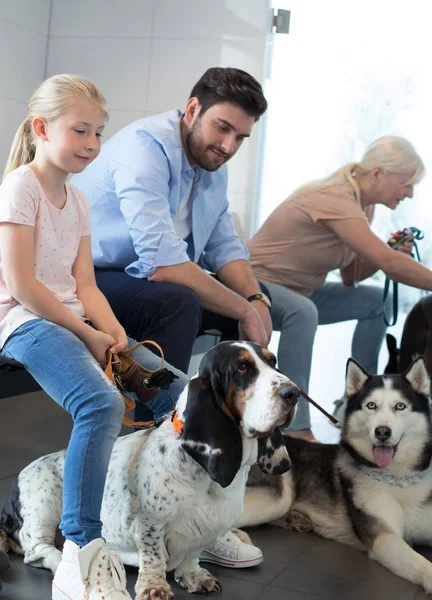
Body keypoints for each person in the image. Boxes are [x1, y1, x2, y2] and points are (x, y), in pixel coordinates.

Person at [0, 74, 189, 600]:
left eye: (99, 133)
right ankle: (82, 552)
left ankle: (181, 526)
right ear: (41, 127)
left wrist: (117, 335)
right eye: (80, 130)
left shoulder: (77, 200)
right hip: (23, 320)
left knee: (179, 391)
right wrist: (86, 334)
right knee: (100, 403)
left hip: (69, 314)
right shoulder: (21, 187)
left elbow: (84, 284)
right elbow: (22, 285)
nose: (91, 145)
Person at [71, 67, 273, 378]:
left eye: (240, 138)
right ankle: (155, 419)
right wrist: (245, 309)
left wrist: (253, 298)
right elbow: (163, 264)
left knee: (253, 296)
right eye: (223, 128)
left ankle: (226, 418)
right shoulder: (144, 148)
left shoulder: (212, 163)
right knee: (176, 302)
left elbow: (224, 246)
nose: (228, 146)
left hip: (138, 274)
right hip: (86, 274)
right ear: (193, 109)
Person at [248, 135, 432, 441]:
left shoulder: (364, 208)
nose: (410, 194)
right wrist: (388, 257)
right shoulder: (336, 197)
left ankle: (363, 400)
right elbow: (387, 263)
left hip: (301, 290)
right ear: (378, 174)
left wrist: (390, 252)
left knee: (376, 302)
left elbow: (350, 274)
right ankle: (294, 428)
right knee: (303, 311)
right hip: (255, 286)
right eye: (407, 183)